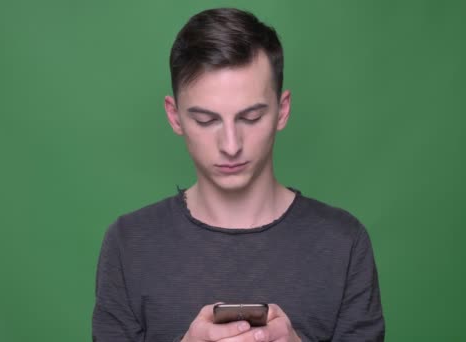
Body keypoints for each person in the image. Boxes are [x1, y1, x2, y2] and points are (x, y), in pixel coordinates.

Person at [92, 7, 384, 342]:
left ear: (282, 110)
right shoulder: (128, 245)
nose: (231, 145)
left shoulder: (344, 242)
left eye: (250, 117)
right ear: (174, 117)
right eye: (206, 120)